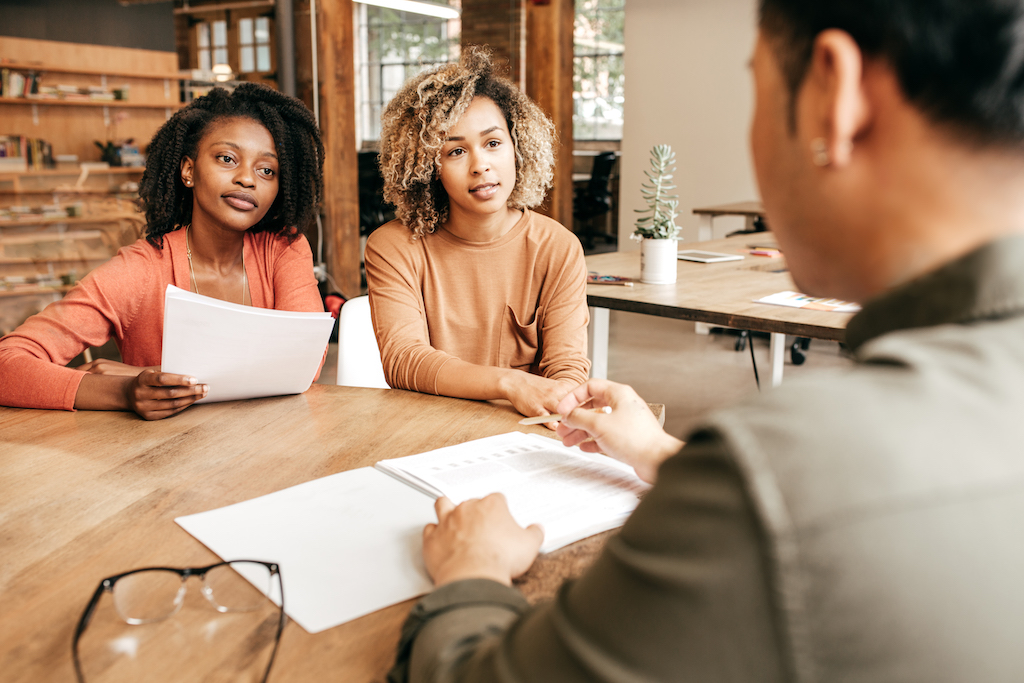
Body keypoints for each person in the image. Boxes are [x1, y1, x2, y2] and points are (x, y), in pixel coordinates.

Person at [388, 1, 1024, 681]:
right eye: (455, 149)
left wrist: (472, 570)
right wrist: (663, 451)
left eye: (755, 85)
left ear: (831, 97)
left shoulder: (768, 474)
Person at [0, 83, 325, 420]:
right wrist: (122, 391)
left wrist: (143, 373)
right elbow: (7, 365)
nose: (247, 179)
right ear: (188, 170)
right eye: (227, 158)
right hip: (159, 459)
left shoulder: (283, 249)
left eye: (266, 170)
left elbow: (305, 364)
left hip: (270, 446)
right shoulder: (140, 270)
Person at [364, 48, 590, 421]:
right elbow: (404, 360)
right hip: (425, 431)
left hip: (524, 428)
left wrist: (558, 398)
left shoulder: (558, 248)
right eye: (455, 151)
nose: (480, 165)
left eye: (493, 143)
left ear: (518, 148)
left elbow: (566, 367)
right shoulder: (393, 247)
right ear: (429, 168)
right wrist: (510, 384)